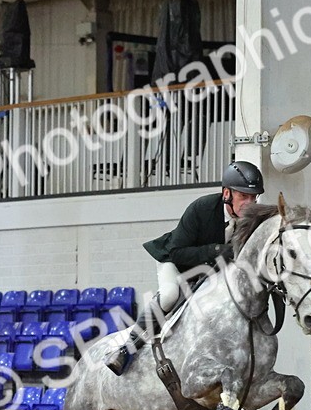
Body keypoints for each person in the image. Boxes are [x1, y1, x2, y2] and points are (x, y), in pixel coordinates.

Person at [104, 160, 265, 375]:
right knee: (170, 295)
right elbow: (177, 252)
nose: (249, 202)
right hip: (176, 261)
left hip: (210, 271)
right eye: (243, 196)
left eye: (253, 197)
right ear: (227, 193)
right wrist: (217, 250)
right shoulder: (203, 208)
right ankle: (127, 349)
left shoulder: (252, 220)